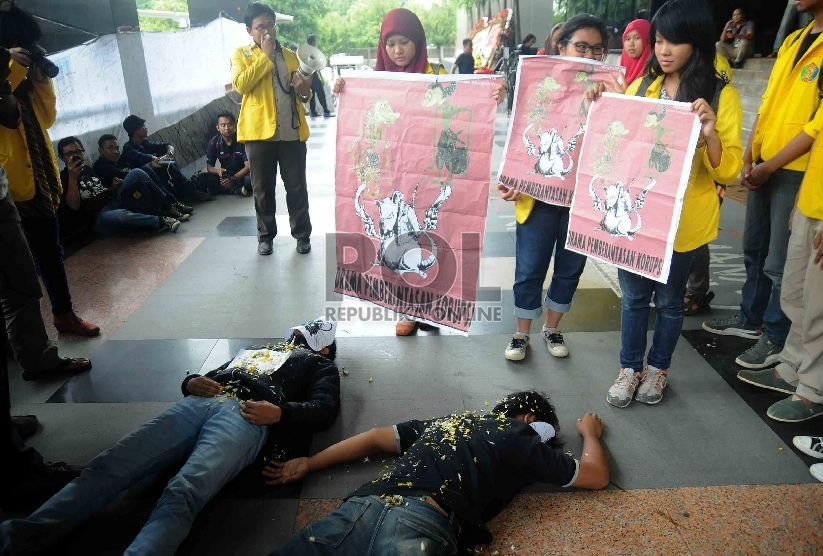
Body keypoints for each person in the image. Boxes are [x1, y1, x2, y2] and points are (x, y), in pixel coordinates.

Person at [0, 317, 341, 555]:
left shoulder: (320, 364)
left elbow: (324, 410)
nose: (296, 338)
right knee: (109, 465)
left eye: (307, 336)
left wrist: (281, 413)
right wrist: (191, 382)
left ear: (323, 349)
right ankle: (19, 537)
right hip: (200, 402)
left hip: (246, 418)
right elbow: (211, 375)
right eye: (295, 332)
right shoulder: (258, 349)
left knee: (185, 489)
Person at [586, 0, 743, 407]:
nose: (664, 49)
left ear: (697, 43)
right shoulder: (642, 89)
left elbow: (728, 172)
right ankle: (629, 367)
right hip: (638, 222)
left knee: (671, 302)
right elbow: (614, 147)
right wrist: (604, 107)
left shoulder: (721, 96)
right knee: (635, 298)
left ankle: (658, 370)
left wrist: (709, 132)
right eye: (659, 40)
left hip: (686, 221)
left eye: (675, 40)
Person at [332, 8, 505, 337]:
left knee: (431, 234)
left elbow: (465, 103)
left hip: (426, 172)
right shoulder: (374, 81)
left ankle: (430, 306)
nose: (397, 50)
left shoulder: (438, 75)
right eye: (391, 44)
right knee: (396, 239)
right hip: (392, 175)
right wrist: (343, 89)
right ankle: (405, 309)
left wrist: (495, 93)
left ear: (419, 42)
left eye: (405, 42)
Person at [265, 391, 609, 553]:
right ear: (530, 421)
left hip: (361, 508)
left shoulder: (449, 423)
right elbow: (597, 476)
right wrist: (590, 434)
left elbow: (373, 439)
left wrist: (310, 462)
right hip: (421, 523)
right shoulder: (523, 438)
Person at [702, 0, 823, 370]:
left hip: (797, 168)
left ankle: (776, 335)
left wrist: (771, 165)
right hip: (764, 161)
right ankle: (750, 319)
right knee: (754, 248)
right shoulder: (794, 40)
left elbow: (819, 124)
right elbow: (767, 104)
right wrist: (748, 157)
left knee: (780, 261)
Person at [497, 14, 611, 363]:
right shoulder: (539, 84)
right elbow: (521, 134)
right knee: (530, 267)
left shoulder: (611, 90)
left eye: (597, 49)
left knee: (570, 267)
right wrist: (511, 176)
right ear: (562, 46)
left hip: (582, 201)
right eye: (581, 46)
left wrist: (608, 105)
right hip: (538, 197)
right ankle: (521, 334)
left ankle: (552, 327)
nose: (589, 54)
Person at [0, 6, 99, 337]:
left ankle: (64, 313)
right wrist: (9, 66)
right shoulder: (6, 74)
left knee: (50, 251)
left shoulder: (23, 82)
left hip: (39, 178)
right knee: (17, 266)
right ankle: (24, 336)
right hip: (9, 182)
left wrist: (40, 81)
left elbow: (46, 119)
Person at [735, 111, 823, 422]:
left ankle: (814, 389)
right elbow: (818, 137)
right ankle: (792, 365)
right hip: (812, 201)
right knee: (794, 292)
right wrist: (802, 197)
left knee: (821, 306)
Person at [232, 3, 315, 257]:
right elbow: (240, 86)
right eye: (260, 27)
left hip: (291, 132)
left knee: (296, 186)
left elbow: (303, 96)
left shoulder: (291, 55)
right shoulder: (241, 55)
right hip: (259, 135)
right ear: (249, 30)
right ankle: (265, 237)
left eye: (270, 25)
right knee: (262, 188)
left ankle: (302, 236)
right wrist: (265, 57)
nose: (266, 31)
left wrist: (303, 90)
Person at [56, 137, 182, 235]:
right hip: (99, 217)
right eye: (69, 153)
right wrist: (73, 178)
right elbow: (73, 206)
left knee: (137, 172)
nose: (75, 155)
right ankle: (161, 220)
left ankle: (169, 205)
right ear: (62, 157)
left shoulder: (88, 169)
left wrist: (113, 187)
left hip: (113, 200)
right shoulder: (64, 178)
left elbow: (99, 191)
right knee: (120, 215)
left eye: (78, 151)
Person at [93, 134, 192, 221]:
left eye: (117, 148)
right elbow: (128, 175)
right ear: (100, 151)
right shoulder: (100, 166)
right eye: (110, 148)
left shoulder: (120, 161)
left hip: (133, 191)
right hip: (118, 200)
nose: (115, 151)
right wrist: (148, 165)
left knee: (160, 166)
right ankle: (170, 206)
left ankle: (175, 201)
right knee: (144, 170)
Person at [119, 114, 213, 203]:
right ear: (135, 131)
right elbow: (144, 158)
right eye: (142, 126)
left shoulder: (144, 143)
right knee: (167, 163)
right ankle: (189, 191)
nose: (146, 128)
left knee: (167, 161)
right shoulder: (128, 148)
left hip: (156, 173)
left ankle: (187, 191)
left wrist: (169, 154)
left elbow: (166, 145)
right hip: (142, 182)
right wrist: (160, 159)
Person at [202, 111, 252, 196]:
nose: (227, 128)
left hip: (243, 174)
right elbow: (209, 167)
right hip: (226, 174)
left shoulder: (243, 140)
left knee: (251, 180)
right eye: (223, 125)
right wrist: (218, 171)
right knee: (203, 178)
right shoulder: (213, 143)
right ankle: (236, 190)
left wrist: (233, 179)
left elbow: (248, 167)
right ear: (218, 127)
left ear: (235, 126)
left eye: (230, 124)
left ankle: (229, 188)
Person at [306, 34, 333, 118]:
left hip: (308, 75)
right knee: (321, 93)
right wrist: (321, 77)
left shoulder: (306, 51)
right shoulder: (313, 51)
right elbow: (316, 65)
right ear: (313, 41)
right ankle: (326, 110)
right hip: (313, 75)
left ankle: (313, 111)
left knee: (312, 94)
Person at [620, 18, 652, 85]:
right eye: (627, 39)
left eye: (637, 37)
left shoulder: (653, 74)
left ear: (648, 40)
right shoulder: (619, 73)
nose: (631, 43)